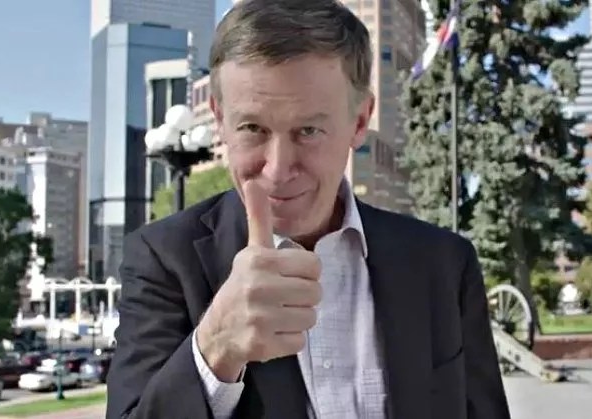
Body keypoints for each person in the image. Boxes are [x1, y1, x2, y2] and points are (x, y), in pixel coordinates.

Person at [106, 0, 510, 418]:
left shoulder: (444, 264)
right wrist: (216, 346)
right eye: (252, 128)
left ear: (359, 122)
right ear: (220, 120)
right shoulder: (162, 260)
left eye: (309, 130)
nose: (278, 169)